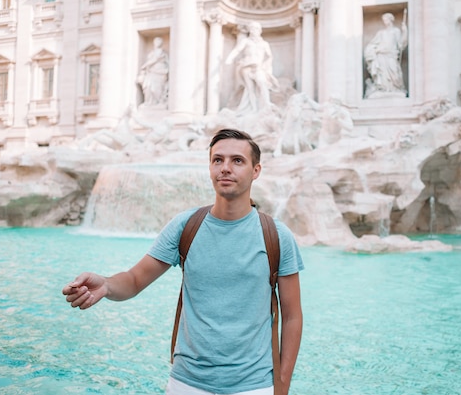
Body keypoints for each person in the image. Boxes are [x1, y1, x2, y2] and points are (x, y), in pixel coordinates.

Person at [62, 128, 304, 395]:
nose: (225, 168)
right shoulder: (186, 226)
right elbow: (134, 280)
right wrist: (106, 285)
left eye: (237, 161)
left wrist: (282, 384)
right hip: (186, 384)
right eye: (217, 160)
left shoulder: (277, 236)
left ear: (256, 171)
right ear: (210, 167)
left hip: (254, 386)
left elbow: (292, 316)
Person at [225, 22, 278, 114]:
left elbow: (269, 56)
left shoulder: (264, 44)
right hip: (246, 66)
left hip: (258, 67)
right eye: (252, 28)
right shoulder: (246, 41)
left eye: (256, 28)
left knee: (262, 83)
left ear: (260, 31)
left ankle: (267, 104)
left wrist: (267, 69)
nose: (254, 31)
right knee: (250, 89)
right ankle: (254, 109)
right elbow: (237, 50)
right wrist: (230, 58)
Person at [364, 10, 408, 98]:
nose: (385, 21)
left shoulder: (396, 31)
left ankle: (395, 88)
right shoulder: (381, 33)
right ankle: (383, 89)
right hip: (381, 55)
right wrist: (373, 51)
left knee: (394, 73)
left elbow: (401, 44)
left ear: (391, 20)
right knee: (382, 74)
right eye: (383, 20)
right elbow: (372, 44)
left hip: (391, 55)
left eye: (386, 19)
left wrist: (405, 31)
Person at [137, 37, 169, 106]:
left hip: (160, 72)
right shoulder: (151, 53)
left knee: (158, 88)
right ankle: (149, 102)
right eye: (156, 41)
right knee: (149, 87)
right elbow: (149, 62)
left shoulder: (163, 54)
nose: (157, 43)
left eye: (159, 41)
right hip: (152, 72)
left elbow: (167, 64)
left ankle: (160, 101)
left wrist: (145, 66)